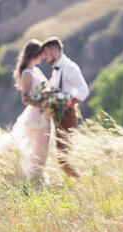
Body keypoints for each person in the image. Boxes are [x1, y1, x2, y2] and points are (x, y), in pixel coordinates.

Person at [0, 39, 51, 183]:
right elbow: (25, 99)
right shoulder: (27, 74)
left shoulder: (36, 70)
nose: (43, 57)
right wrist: (42, 103)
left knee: (44, 145)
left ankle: (37, 178)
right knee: (37, 146)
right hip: (37, 114)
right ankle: (34, 178)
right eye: (40, 54)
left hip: (45, 113)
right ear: (34, 54)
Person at [41, 37, 89, 177]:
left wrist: (69, 103)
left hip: (67, 114)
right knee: (62, 153)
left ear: (54, 51)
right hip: (57, 114)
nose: (44, 57)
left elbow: (83, 90)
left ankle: (79, 181)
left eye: (46, 54)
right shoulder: (57, 68)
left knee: (63, 156)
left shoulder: (69, 67)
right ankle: (75, 180)